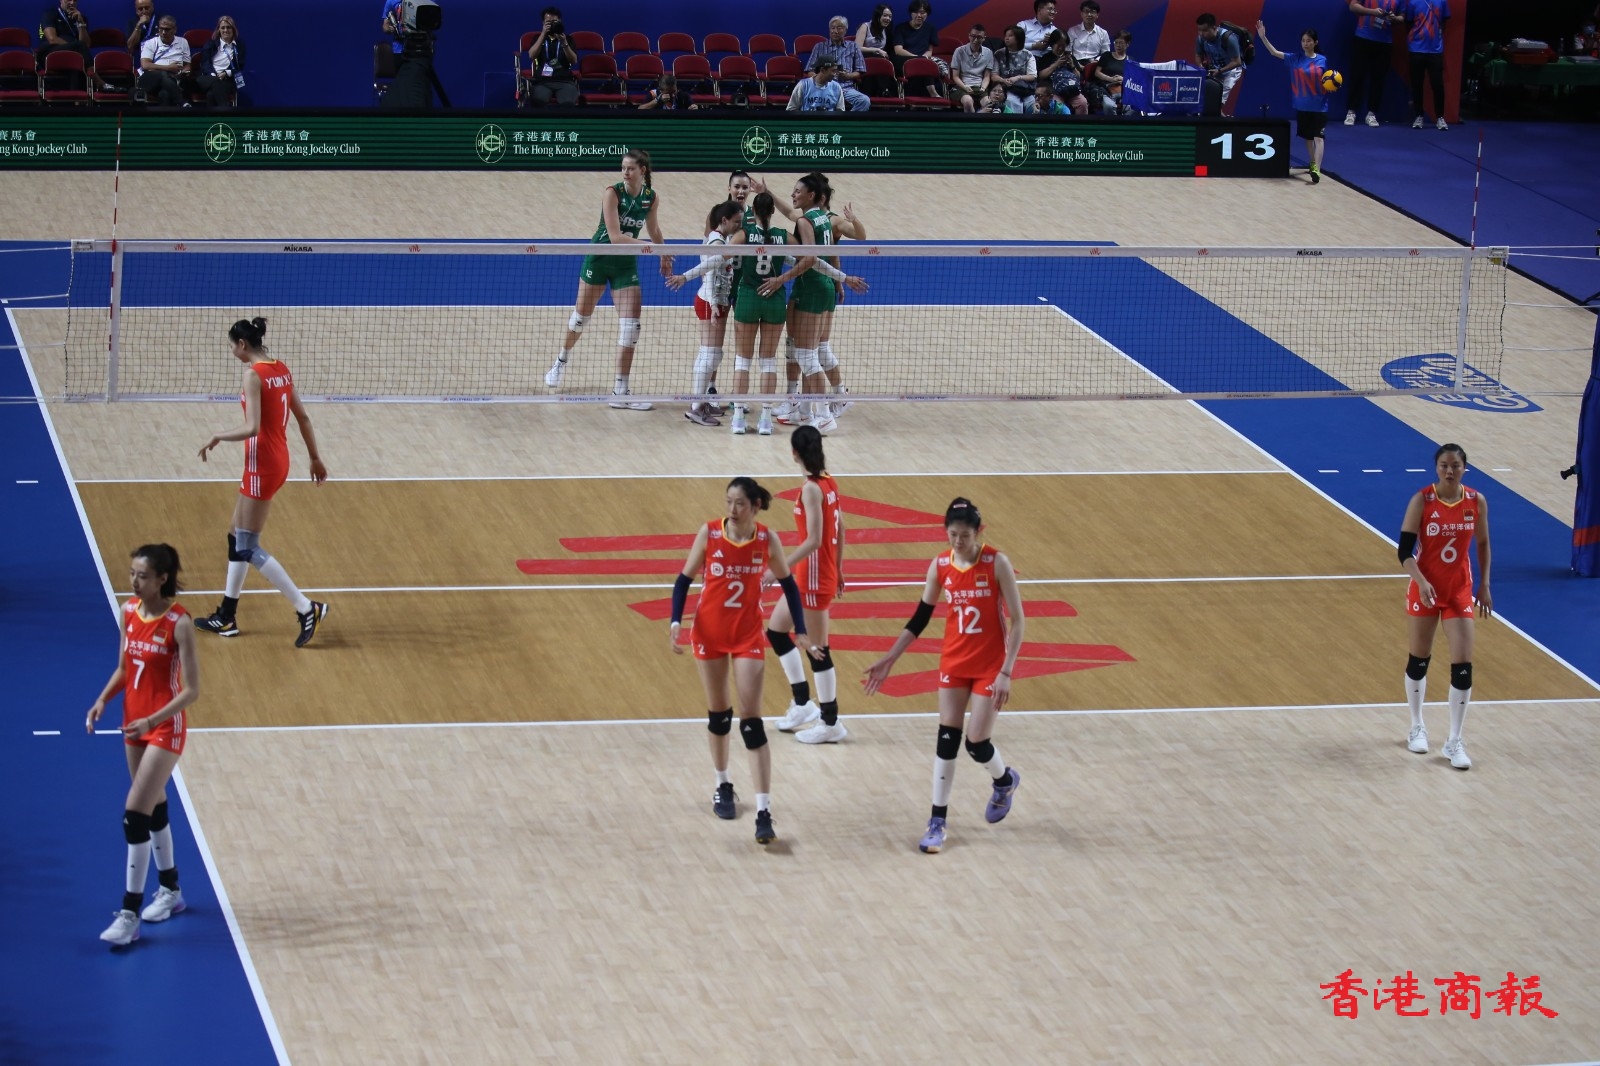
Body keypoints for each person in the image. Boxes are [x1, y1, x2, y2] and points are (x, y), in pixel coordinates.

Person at [863, 498, 1025, 854]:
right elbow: (920, 617)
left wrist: (1007, 671)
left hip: (990, 666)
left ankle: (1003, 780)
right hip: (954, 662)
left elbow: (1018, 620)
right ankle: (937, 821)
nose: (958, 541)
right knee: (947, 739)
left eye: (965, 535)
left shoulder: (996, 563)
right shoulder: (940, 565)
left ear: (978, 532)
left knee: (976, 743)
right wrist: (890, 657)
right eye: (952, 535)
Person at [670, 477, 818, 844]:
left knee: (752, 723)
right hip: (709, 634)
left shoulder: (767, 540)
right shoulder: (710, 533)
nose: (732, 510)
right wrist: (675, 621)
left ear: (755, 507)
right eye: (728, 502)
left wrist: (800, 629)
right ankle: (723, 785)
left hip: (747, 635)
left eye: (739, 503)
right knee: (720, 716)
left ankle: (764, 812)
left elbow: (789, 585)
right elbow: (683, 580)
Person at [86, 544, 199, 946]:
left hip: (164, 726)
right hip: (132, 721)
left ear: (162, 579)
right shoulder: (128, 612)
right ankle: (171, 891)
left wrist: (153, 719)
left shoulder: (179, 623)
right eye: (132, 574)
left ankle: (129, 914)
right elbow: (124, 667)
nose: (134, 581)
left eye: (143, 576)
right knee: (154, 806)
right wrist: (102, 699)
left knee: (135, 814)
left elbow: (191, 690)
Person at [194, 317, 330, 646]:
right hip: (277, 459)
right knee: (235, 536)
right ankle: (226, 616)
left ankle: (306, 607)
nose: (232, 352)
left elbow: (252, 427)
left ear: (242, 345)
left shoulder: (253, 375)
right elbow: (303, 417)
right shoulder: (281, 368)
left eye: (232, 346)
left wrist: (217, 436)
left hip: (262, 464)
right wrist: (314, 457)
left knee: (246, 546)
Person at [545, 150, 672, 410]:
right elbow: (615, 238)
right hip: (600, 259)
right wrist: (650, 248)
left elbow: (654, 229)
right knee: (580, 319)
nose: (625, 172)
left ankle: (620, 391)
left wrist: (663, 254)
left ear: (642, 171)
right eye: (623, 168)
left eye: (630, 168)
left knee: (631, 327)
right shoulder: (612, 193)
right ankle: (561, 361)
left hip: (625, 266)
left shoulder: (650, 198)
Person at [1398, 443, 1490, 770]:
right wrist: (1421, 581)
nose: (1449, 471)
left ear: (1464, 468)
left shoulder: (1475, 501)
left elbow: (1483, 542)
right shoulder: (1422, 500)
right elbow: (1404, 552)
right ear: (1436, 468)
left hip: (1458, 591)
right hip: (1425, 589)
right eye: (1444, 465)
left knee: (1463, 664)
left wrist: (1485, 584)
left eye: (1455, 465)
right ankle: (1417, 726)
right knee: (1419, 659)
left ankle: (1454, 740)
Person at [757, 174, 869, 432]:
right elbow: (823, 254)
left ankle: (825, 414)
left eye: (798, 191)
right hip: (816, 285)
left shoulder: (809, 221)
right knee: (804, 350)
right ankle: (805, 411)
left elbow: (810, 258)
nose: (793, 195)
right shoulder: (822, 218)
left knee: (808, 354)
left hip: (813, 287)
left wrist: (780, 279)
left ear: (812, 195)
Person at [769, 426, 848, 743]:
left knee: (818, 650)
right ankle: (803, 704)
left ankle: (830, 723)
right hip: (812, 573)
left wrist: (779, 568)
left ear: (794, 453)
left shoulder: (813, 489)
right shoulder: (828, 482)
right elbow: (841, 528)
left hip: (814, 577)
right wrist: (838, 567)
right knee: (776, 631)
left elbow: (815, 540)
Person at [666, 200, 743, 427]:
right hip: (711, 302)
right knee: (711, 355)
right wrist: (713, 304)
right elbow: (708, 273)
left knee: (710, 354)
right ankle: (696, 407)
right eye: (736, 222)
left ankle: (702, 402)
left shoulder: (722, 238)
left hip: (716, 301)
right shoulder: (716, 242)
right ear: (724, 220)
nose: (739, 226)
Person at [726, 191, 790, 436]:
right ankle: (765, 419)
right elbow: (809, 256)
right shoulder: (783, 235)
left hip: (749, 297)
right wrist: (782, 276)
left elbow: (723, 254)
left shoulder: (744, 234)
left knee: (743, 360)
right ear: (773, 211)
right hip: (774, 297)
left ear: (752, 211)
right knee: (768, 360)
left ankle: (738, 418)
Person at [1256, 22, 1329, 184]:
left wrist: (1332, 86)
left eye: (1309, 41)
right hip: (1302, 105)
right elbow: (1274, 52)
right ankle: (1312, 162)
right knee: (1308, 138)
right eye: (1303, 40)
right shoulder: (1295, 58)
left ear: (1315, 42)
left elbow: (1327, 80)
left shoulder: (1322, 60)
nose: (1305, 43)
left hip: (1320, 106)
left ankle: (1317, 169)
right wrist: (1263, 37)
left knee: (1319, 137)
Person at [1345, 1, 1402, 125]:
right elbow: (1353, 6)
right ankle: (1351, 111)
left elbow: (1402, 17)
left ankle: (1372, 113)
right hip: (1363, 38)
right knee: (1357, 76)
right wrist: (1372, 12)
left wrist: (1394, 18)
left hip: (1385, 42)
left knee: (1378, 79)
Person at [804, 16, 870, 111]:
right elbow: (810, 71)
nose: (835, 31)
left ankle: (846, 121)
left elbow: (860, 71)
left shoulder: (853, 46)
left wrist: (848, 76)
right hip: (824, 87)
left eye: (839, 28)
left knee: (864, 101)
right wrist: (821, 78)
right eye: (832, 28)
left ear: (845, 30)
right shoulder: (819, 47)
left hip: (846, 88)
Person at [1404, 0, 1450, 130]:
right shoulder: (1413, 3)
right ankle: (1419, 116)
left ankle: (1440, 117)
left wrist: (1437, 37)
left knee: (1437, 84)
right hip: (1416, 48)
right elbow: (1408, 24)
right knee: (1417, 84)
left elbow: (1444, 21)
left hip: (1435, 50)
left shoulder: (1442, 1)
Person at [524, 5, 578, 107]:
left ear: (560, 21)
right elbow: (531, 55)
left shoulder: (568, 39)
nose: (552, 25)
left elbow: (574, 61)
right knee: (538, 101)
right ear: (543, 23)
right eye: (548, 22)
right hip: (542, 81)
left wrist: (564, 43)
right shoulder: (537, 38)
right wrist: (543, 34)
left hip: (564, 81)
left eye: (554, 22)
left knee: (568, 104)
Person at [892, 0, 946, 98]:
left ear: (927, 14)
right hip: (903, 60)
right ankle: (933, 93)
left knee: (926, 63)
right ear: (911, 13)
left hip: (922, 60)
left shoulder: (930, 28)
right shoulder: (900, 27)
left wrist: (923, 58)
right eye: (916, 12)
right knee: (923, 63)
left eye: (922, 12)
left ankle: (932, 93)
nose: (919, 15)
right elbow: (898, 50)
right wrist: (917, 58)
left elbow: (929, 50)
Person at [1194, 13, 1245, 116]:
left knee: (1216, 105)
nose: (1201, 34)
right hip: (1215, 70)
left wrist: (1220, 70)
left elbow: (1237, 62)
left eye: (1205, 30)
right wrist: (1201, 67)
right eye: (1199, 30)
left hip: (1232, 71)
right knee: (1210, 104)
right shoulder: (1201, 39)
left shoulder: (1228, 38)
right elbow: (1198, 55)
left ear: (1214, 28)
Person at [193, 15, 246, 108]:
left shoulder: (239, 46)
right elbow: (205, 63)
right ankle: (226, 112)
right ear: (219, 30)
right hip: (208, 77)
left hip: (227, 80)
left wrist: (225, 73)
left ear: (233, 29)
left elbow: (240, 65)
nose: (226, 30)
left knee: (211, 94)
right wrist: (214, 75)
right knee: (215, 82)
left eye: (228, 27)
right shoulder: (211, 43)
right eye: (223, 28)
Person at [137, 16, 190, 107]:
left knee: (164, 94)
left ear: (175, 30)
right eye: (161, 29)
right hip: (150, 80)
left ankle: (166, 116)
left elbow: (187, 65)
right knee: (163, 74)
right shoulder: (150, 43)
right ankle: (182, 102)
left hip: (173, 80)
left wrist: (182, 73)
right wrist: (168, 68)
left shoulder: (183, 42)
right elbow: (145, 65)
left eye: (167, 29)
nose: (163, 32)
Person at [1038, 30, 1089, 114]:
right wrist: (1056, 64)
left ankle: (1080, 122)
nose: (1061, 48)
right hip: (1055, 91)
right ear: (1052, 44)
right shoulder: (1046, 58)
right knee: (1056, 105)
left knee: (1082, 102)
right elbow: (1041, 76)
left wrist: (1072, 66)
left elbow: (1079, 77)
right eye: (1058, 45)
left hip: (1072, 90)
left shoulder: (1070, 57)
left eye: (1063, 46)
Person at [948, 23, 995, 112]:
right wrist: (965, 87)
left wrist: (983, 88)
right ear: (969, 36)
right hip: (961, 86)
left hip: (979, 87)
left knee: (988, 103)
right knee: (968, 101)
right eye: (973, 36)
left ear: (984, 38)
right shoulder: (959, 51)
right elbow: (955, 76)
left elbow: (986, 76)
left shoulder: (988, 52)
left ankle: (980, 118)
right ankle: (973, 120)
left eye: (979, 37)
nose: (976, 40)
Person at [992, 25, 1038, 113]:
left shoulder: (1028, 54)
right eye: (1006, 36)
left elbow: (1032, 76)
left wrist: (1018, 77)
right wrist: (1004, 80)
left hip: (1025, 88)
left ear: (1018, 38)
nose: (1006, 38)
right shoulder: (999, 54)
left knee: (1031, 103)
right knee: (1012, 101)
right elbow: (994, 76)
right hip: (1008, 88)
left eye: (1010, 36)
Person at [1094, 29, 1132, 114]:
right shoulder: (1106, 56)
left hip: (1123, 90)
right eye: (1116, 42)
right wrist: (1110, 79)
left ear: (1127, 44)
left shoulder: (1130, 61)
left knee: (1130, 106)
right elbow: (1097, 73)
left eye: (1121, 43)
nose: (1118, 45)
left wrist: (1123, 79)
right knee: (1109, 105)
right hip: (1106, 90)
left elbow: (1133, 79)